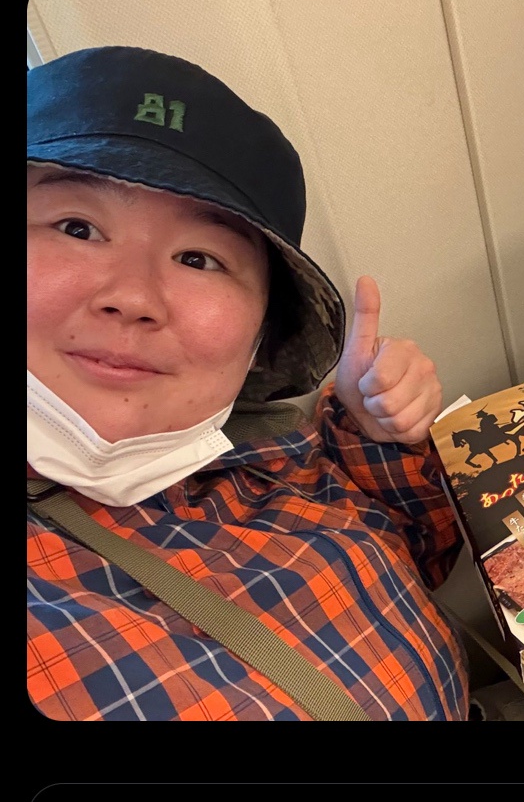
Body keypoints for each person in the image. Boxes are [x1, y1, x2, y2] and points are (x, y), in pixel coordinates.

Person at [27, 45, 468, 721]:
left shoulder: (265, 460)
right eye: (77, 227)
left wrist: (371, 430)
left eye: (198, 258)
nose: (134, 296)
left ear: (262, 330)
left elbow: (419, 549)